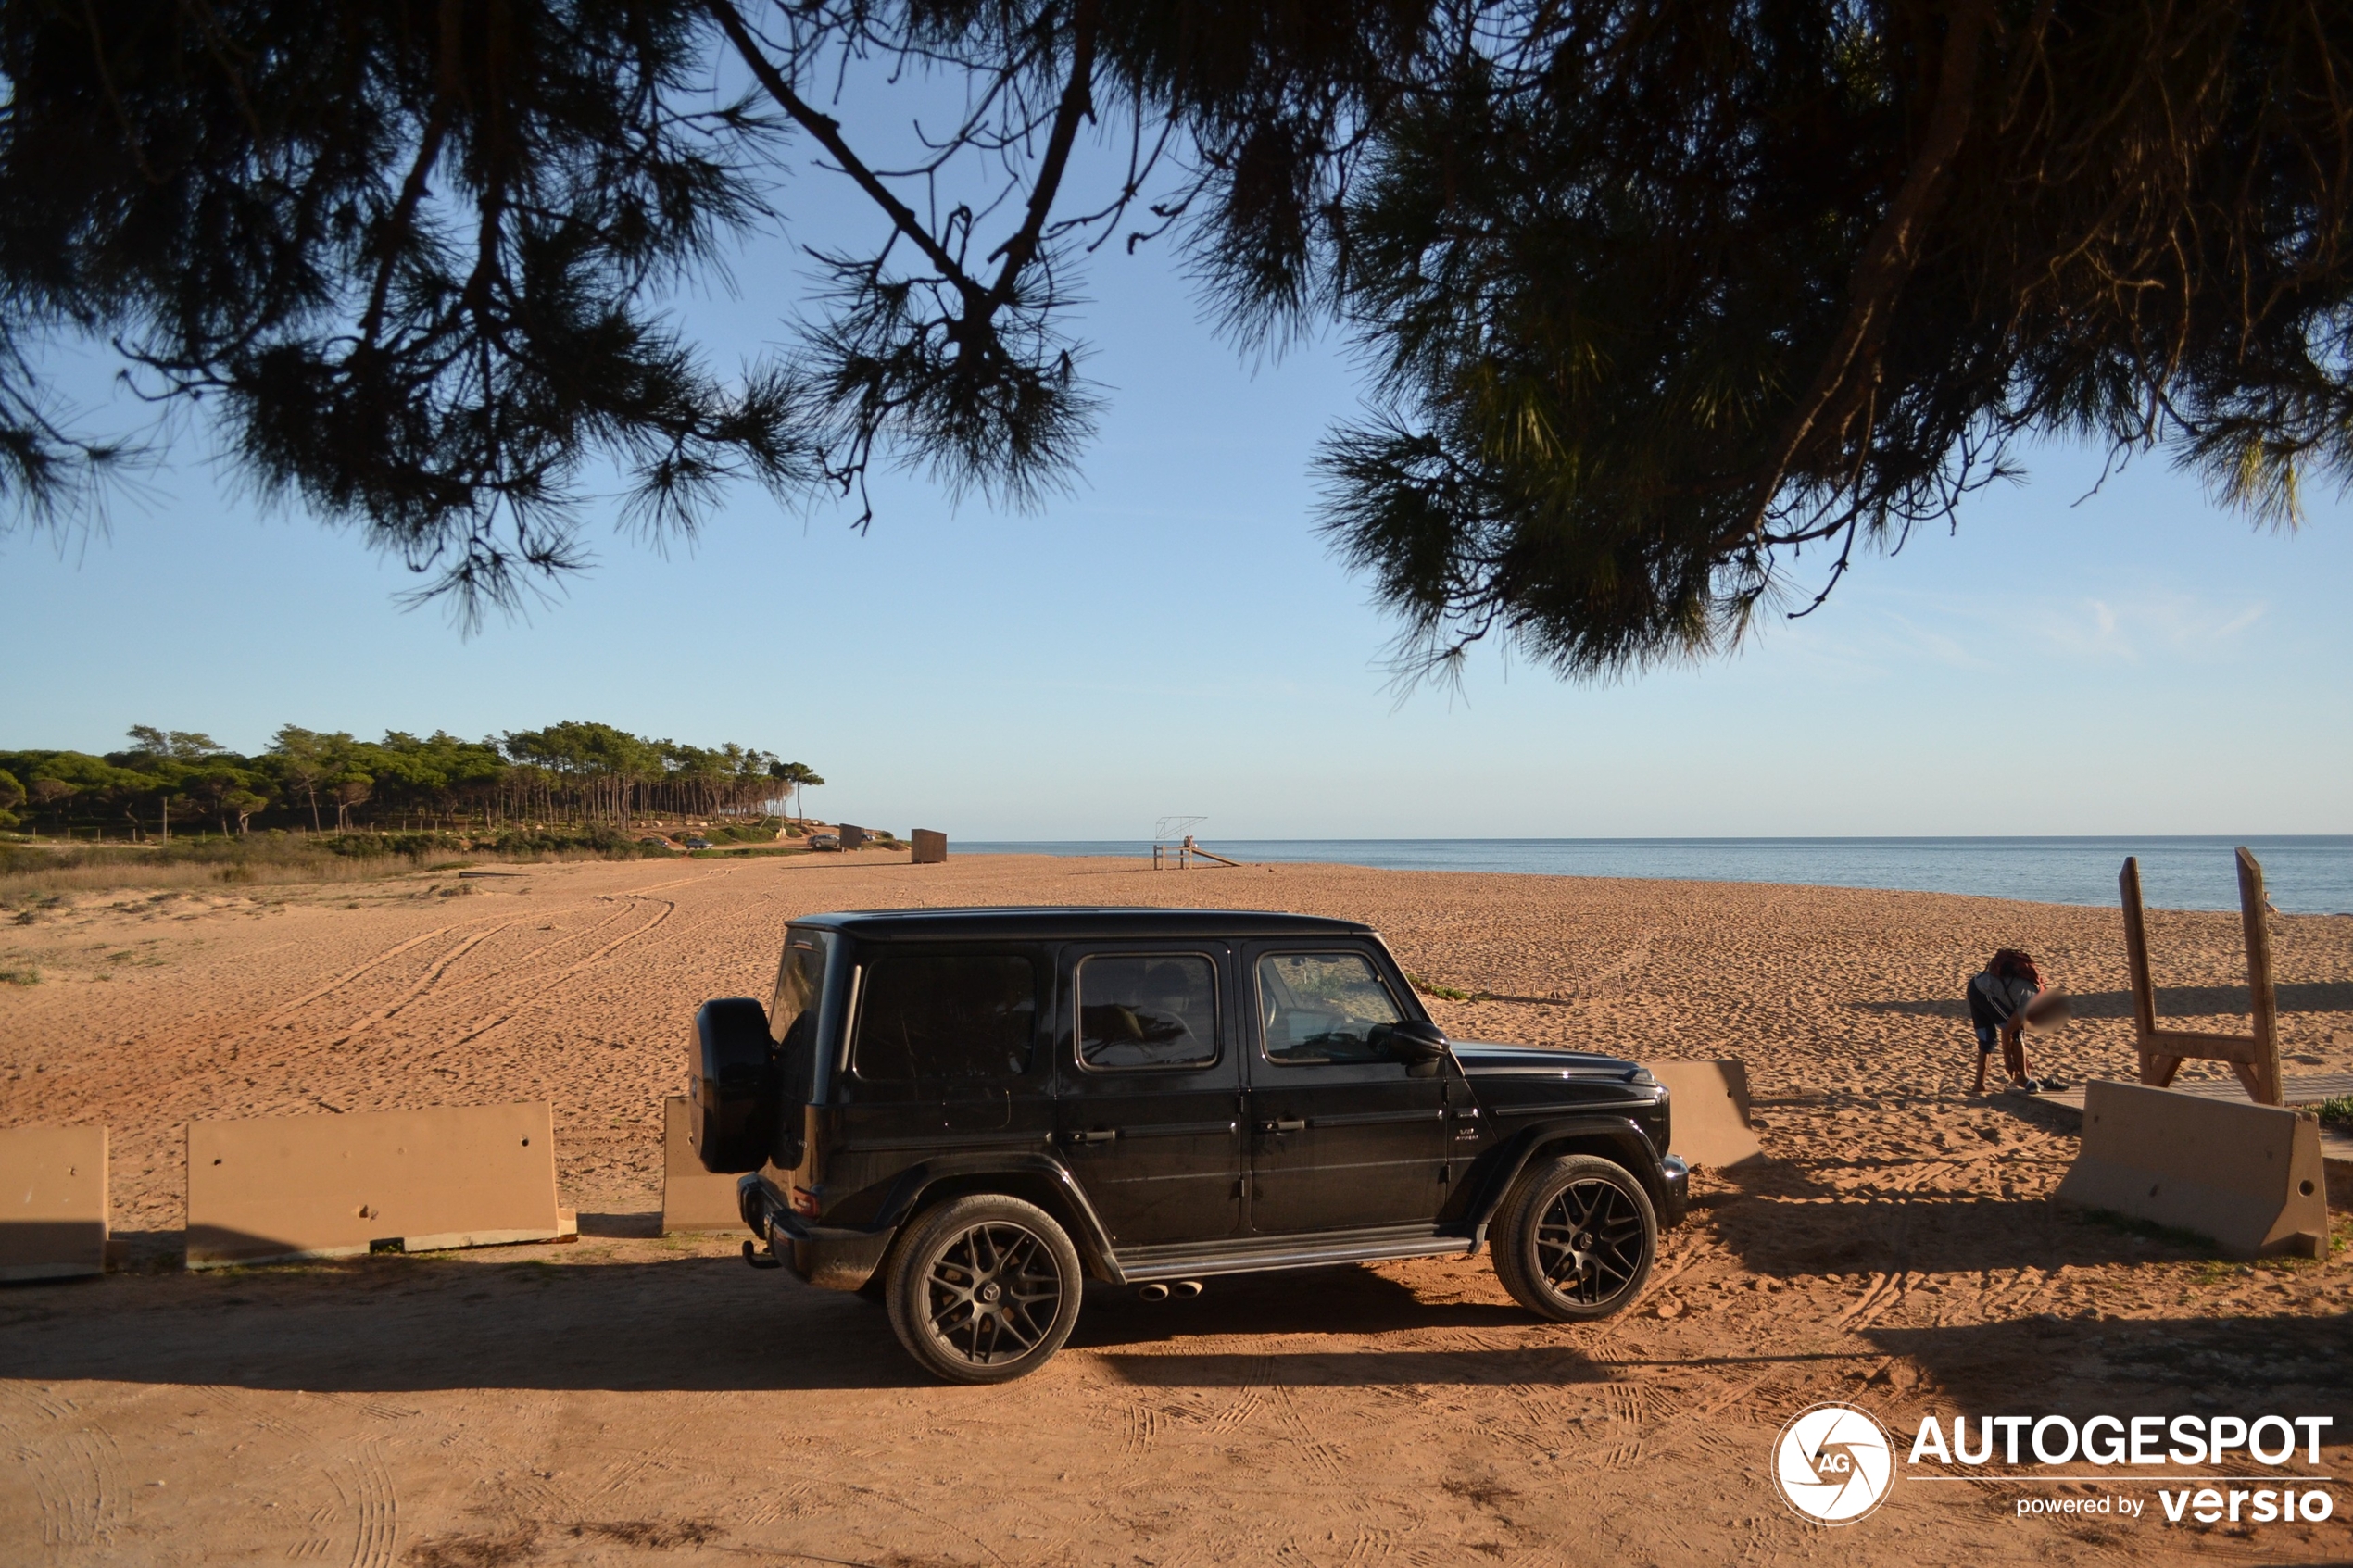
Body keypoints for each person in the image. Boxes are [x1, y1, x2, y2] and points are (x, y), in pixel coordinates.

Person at [1967, 948, 2062, 1094]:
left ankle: (1979, 1086)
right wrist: (2009, 1063)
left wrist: (2023, 1059)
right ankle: (2021, 1077)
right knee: (2017, 1031)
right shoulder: (2031, 1004)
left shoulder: (2036, 996)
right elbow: (2008, 1031)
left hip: (1976, 984)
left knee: (1987, 1038)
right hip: (1984, 991)